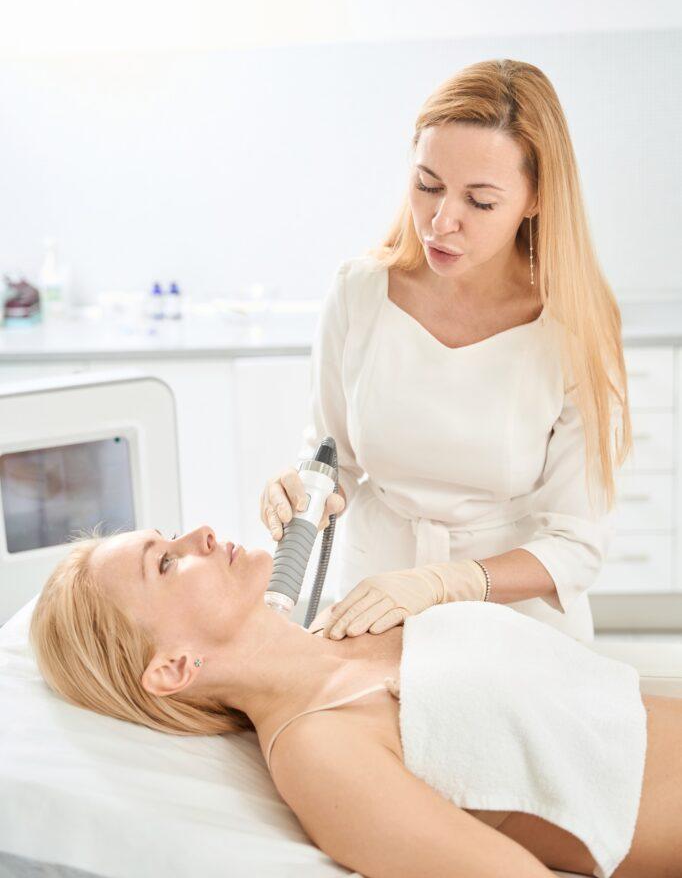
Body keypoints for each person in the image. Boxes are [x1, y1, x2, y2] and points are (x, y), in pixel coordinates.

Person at [29, 524, 682, 878]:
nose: (198, 534)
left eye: (169, 537)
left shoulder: (352, 623)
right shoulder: (321, 749)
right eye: (166, 564)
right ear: (174, 667)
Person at [262, 58, 630, 646]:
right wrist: (302, 486)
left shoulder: (573, 329)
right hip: (370, 604)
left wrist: (442, 583)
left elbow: (576, 546)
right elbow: (334, 457)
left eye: (480, 202)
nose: (441, 221)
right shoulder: (360, 293)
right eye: (427, 185)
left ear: (535, 199)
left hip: (518, 624)